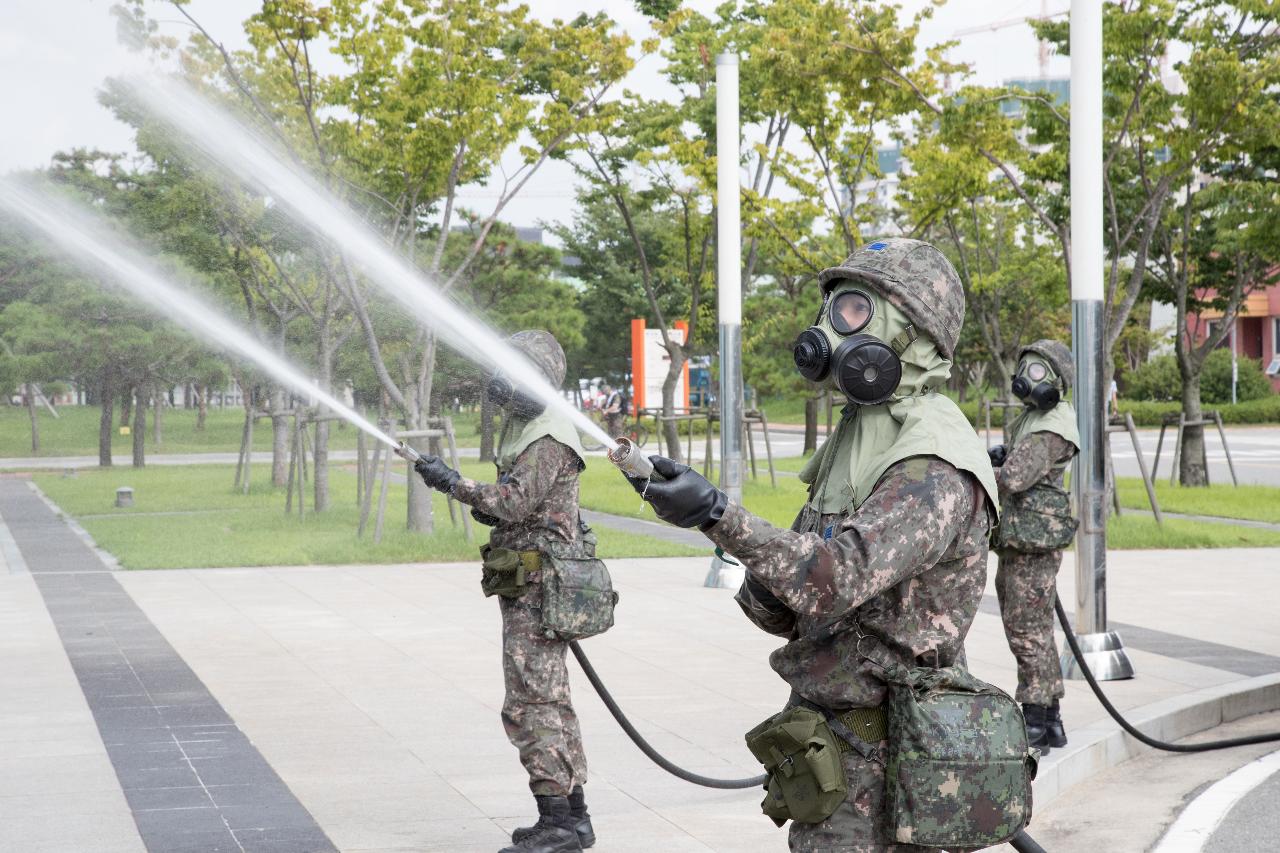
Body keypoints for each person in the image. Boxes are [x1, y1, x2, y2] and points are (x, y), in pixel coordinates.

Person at [624, 239, 1003, 850]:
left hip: (891, 768)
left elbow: (832, 579)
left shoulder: (932, 461)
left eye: (853, 310)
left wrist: (718, 514)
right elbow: (785, 607)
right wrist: (708, 520)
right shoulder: (859, 440)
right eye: (831, 309)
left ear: (912, 333)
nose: (830, 328)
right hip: (833, 754)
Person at [405, 330, 597, 853]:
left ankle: (560, 821)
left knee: (533, 703)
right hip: (529, 583)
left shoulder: (549, 436)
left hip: (539, 589)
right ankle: (569, 817)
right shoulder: (530, 426)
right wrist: (473, 495)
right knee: (548, 700)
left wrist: (452, 483)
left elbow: (513, 503)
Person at [987, 340, 1080, 755]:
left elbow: (1013, 479)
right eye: (1026, 368)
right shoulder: (1038, 419)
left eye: (1038, 372)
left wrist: (979, 468)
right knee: (1034, 627)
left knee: (1027, 630)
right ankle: (1051, 720)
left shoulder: (1049, 427)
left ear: (1056, 381)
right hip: (1024, 537)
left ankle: (1037, 721)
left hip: (1030, 540)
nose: (1028, 378)